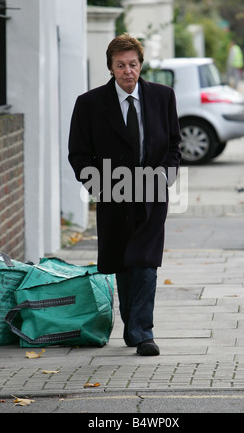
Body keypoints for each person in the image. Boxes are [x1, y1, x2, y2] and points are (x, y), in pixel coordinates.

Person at [68, 34, 181, 356]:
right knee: (123, 261)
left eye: (133, 64)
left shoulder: (163, 97)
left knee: (145, 261)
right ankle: (134, 327)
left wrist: (165, 176)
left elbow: (174, 145)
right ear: (111, 68)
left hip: (152, 191)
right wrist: (99, 187)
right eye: (120, 65)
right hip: (114, 192)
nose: (128, 71)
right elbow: (79, 153)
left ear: (141, 65)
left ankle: (143, 332)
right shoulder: (89, 104)